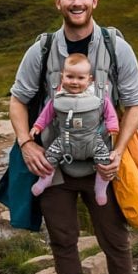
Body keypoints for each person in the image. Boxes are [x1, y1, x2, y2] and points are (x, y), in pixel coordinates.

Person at [9, 0, 138, 274]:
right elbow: (18, 99)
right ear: (58, 2)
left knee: (115, 234)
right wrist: (27, 144)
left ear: (94, 1)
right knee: (62, 236)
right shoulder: (42, 49)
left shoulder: (115, 47)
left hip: (102, 165)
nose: (76, 2)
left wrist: (120, 152)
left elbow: (134, 104)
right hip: (53, 162)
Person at [29, 52, 119, 206]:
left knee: (104, 160)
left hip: (92, 139)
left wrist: (112, 127)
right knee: (51, 156)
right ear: (62, 77)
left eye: (80, 78)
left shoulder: (98, 96)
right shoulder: (58, 97)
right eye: (70, 77)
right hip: (65, 139)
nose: (75, 82)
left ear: (89, 79)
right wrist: (37, 126)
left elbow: (110, 113)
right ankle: (45, 179)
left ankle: (100, 188)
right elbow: (47, 114)